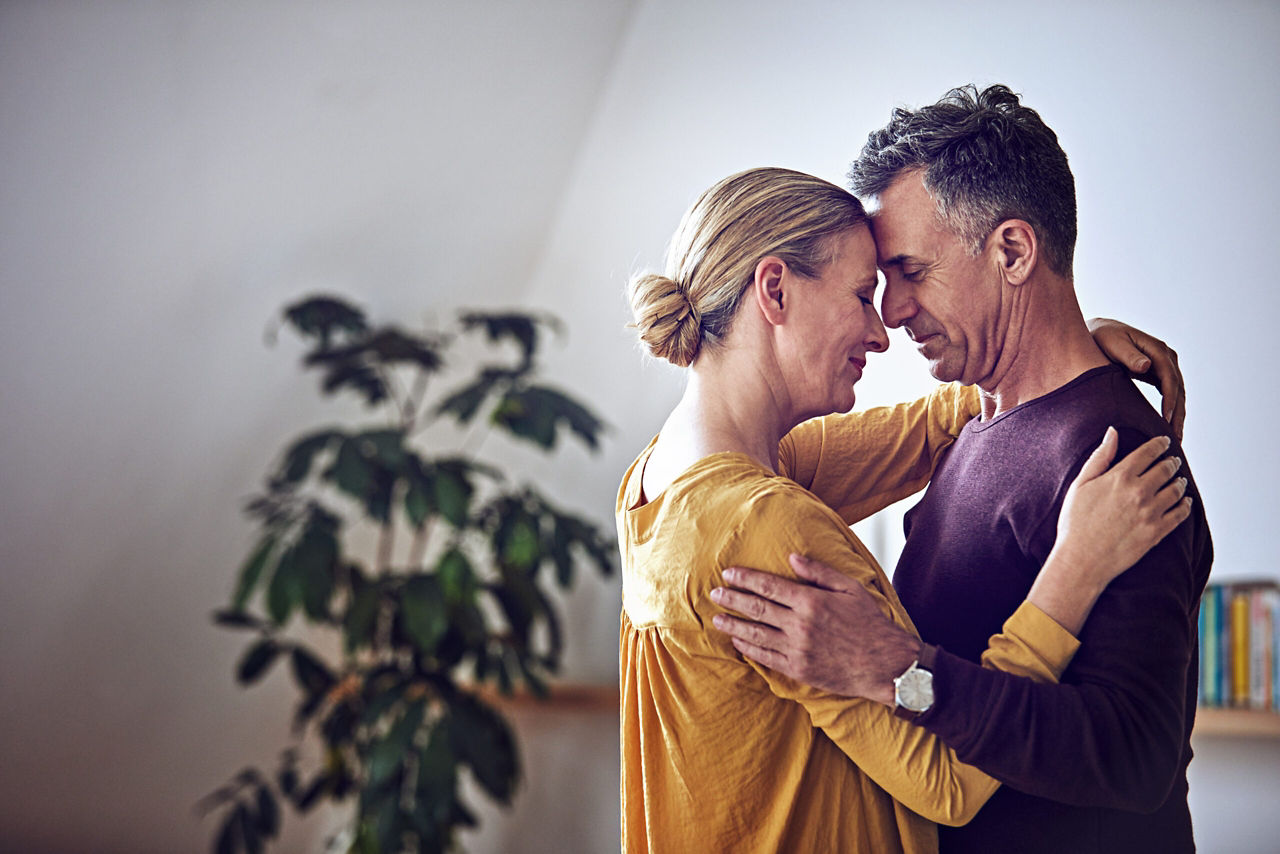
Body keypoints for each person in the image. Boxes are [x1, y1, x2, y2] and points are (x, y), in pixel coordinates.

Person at [619, 165, 1191, 853]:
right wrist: (1075, 567)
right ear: (774, 289)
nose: (883, 325)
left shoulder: (662, 477)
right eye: (864, 294)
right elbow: (948, 780)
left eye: (903, 278)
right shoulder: (765, 523)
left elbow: (920, 432)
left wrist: (1061, 345)